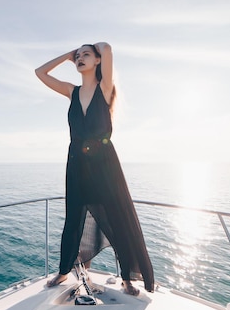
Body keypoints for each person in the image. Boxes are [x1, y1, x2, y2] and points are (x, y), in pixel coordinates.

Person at [35, 42, 155, 295]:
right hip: (77, 163)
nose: (79, 58)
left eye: (85, 55)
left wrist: (94, 49)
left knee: (118, 218)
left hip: (105, 164)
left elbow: (108, 48)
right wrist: (67, 56)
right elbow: (40, 72)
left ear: (97, 61)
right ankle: (65, 270)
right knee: (73, 219)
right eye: (77, 56)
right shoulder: (72, 91)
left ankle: (127, 279)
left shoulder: (105, 88)